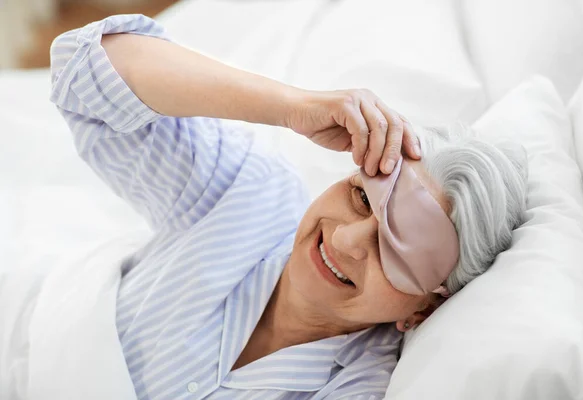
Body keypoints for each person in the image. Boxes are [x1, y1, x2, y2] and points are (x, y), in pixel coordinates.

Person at [48, 14, 528, 400]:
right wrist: (290, 106)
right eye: (361, 197)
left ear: (425, 310)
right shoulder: (248, 196)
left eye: (394, 254)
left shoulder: (357, 388)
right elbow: (85, 67)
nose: (343, 240)